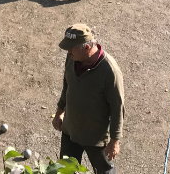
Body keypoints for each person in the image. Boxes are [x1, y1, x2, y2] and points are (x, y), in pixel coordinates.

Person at [53, 24, 124, 174]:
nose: (68, 51)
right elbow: (67, 84)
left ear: (86, 48)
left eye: (71, 48)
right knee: (65, 170)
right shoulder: (72, 57)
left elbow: (117, 107)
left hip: (95, 137)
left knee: (104, 171)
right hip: (70, 129)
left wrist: (114, 140)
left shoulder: (109, 71)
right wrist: (60, 110)